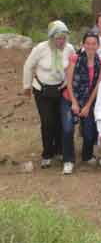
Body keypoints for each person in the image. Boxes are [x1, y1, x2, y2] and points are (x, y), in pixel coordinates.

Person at [23, 21, 75, 168]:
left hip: (61, 89)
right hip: (42, 90)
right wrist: (26, 86)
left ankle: (59, 150)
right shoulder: (41, 48)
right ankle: (47, 154)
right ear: (51, 38)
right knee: (47, 122)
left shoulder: (69, 49)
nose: (61, 41)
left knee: (60, 121)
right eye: (58, 38)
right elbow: (28, 66)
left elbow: (73, 67)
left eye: (64, 38)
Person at [61, 32, 101, 175]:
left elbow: (97, 87)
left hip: (88, 100)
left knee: (89, 132)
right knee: (68, 129)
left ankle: (87, 155)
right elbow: (69, 82)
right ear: (83, 44)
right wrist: (74, 102)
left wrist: (87, 106)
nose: (90, 46)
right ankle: (68, 160)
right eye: (88, 43)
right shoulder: (75, 59)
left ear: (98, 45)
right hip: (69, 98)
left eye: (94, 44)